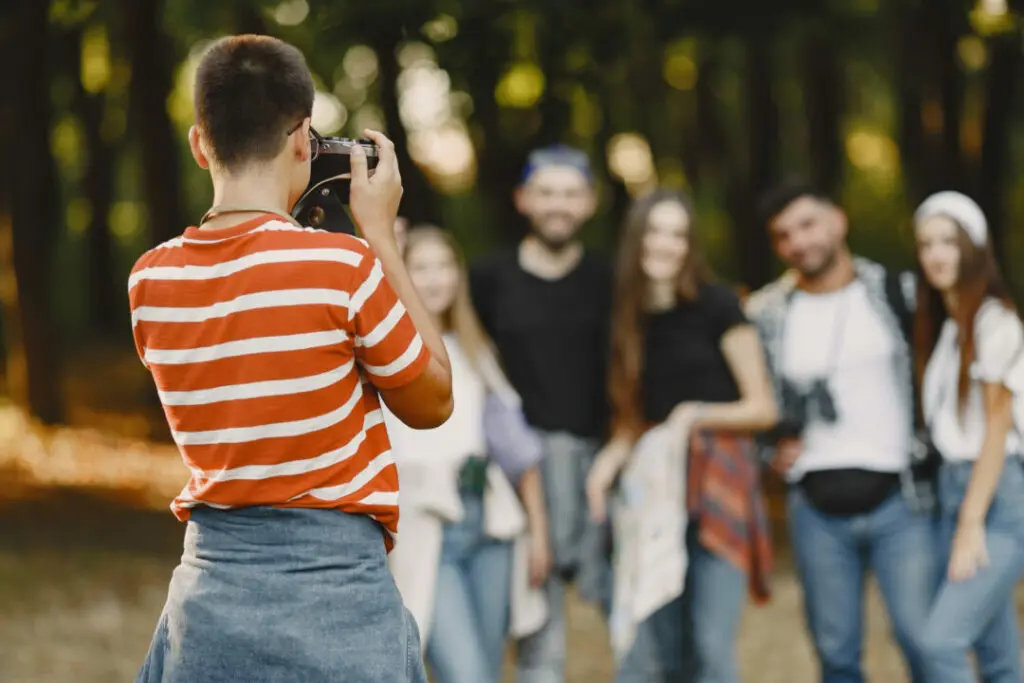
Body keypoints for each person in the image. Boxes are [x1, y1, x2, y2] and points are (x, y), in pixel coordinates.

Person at [126, 35, 453, 683]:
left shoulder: (150, 282)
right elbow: (434, 400)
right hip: (335, 599)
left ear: (199, 144)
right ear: (304, 139)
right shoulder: (342, 265)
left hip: (211, 598)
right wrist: (380, 234)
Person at [745, 180, 937, 683]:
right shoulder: (766, 314)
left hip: (902, 500)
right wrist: (769, 451)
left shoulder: (900, 294)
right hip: (815, 507)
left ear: (837, 220)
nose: (798, 242)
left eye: (807, 224)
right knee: (836, 655)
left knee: (926, 642)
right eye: (783, 235)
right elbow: (753, 400)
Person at [586, 190, 777, 683]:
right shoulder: (626, 318)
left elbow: (762, 407)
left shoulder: (718, 305)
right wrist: (603, 468)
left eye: (677, 234)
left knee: (711, 649)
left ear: (690, 245)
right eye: (655, 231)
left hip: (718, 487)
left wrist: (695, 414)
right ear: (636, 239)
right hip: (656, 495)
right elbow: (634, 421)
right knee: (663, 650)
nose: (665, 245)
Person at [468, 145, 617, 682]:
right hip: (523, 473)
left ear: (590, 203)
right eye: (547, 193)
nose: (559, 205)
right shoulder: (487, 279)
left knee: (634, 621)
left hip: (604, 467)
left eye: (571, 194)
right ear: (523, 200)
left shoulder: (612, 280)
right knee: (539, 636)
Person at [385, 225, 551, 683]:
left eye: (445, 266)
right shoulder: (385, 352)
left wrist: (539, 533)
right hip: (428, 530)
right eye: (421, 267)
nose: (436, 278)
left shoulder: (476, 350)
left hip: (490, 524)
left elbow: (520, 453)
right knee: (466, 674)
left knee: (491, 670)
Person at [911, 192, 1024, 683]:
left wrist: (970, 523)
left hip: (994, 500)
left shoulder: (995, 322)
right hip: (956, 491)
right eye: (926, 243)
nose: (937, 254)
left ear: (974, 248)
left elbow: (998, 427)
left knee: (940, 642)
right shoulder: (950, 331)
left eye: (949, 242)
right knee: (998, 656)